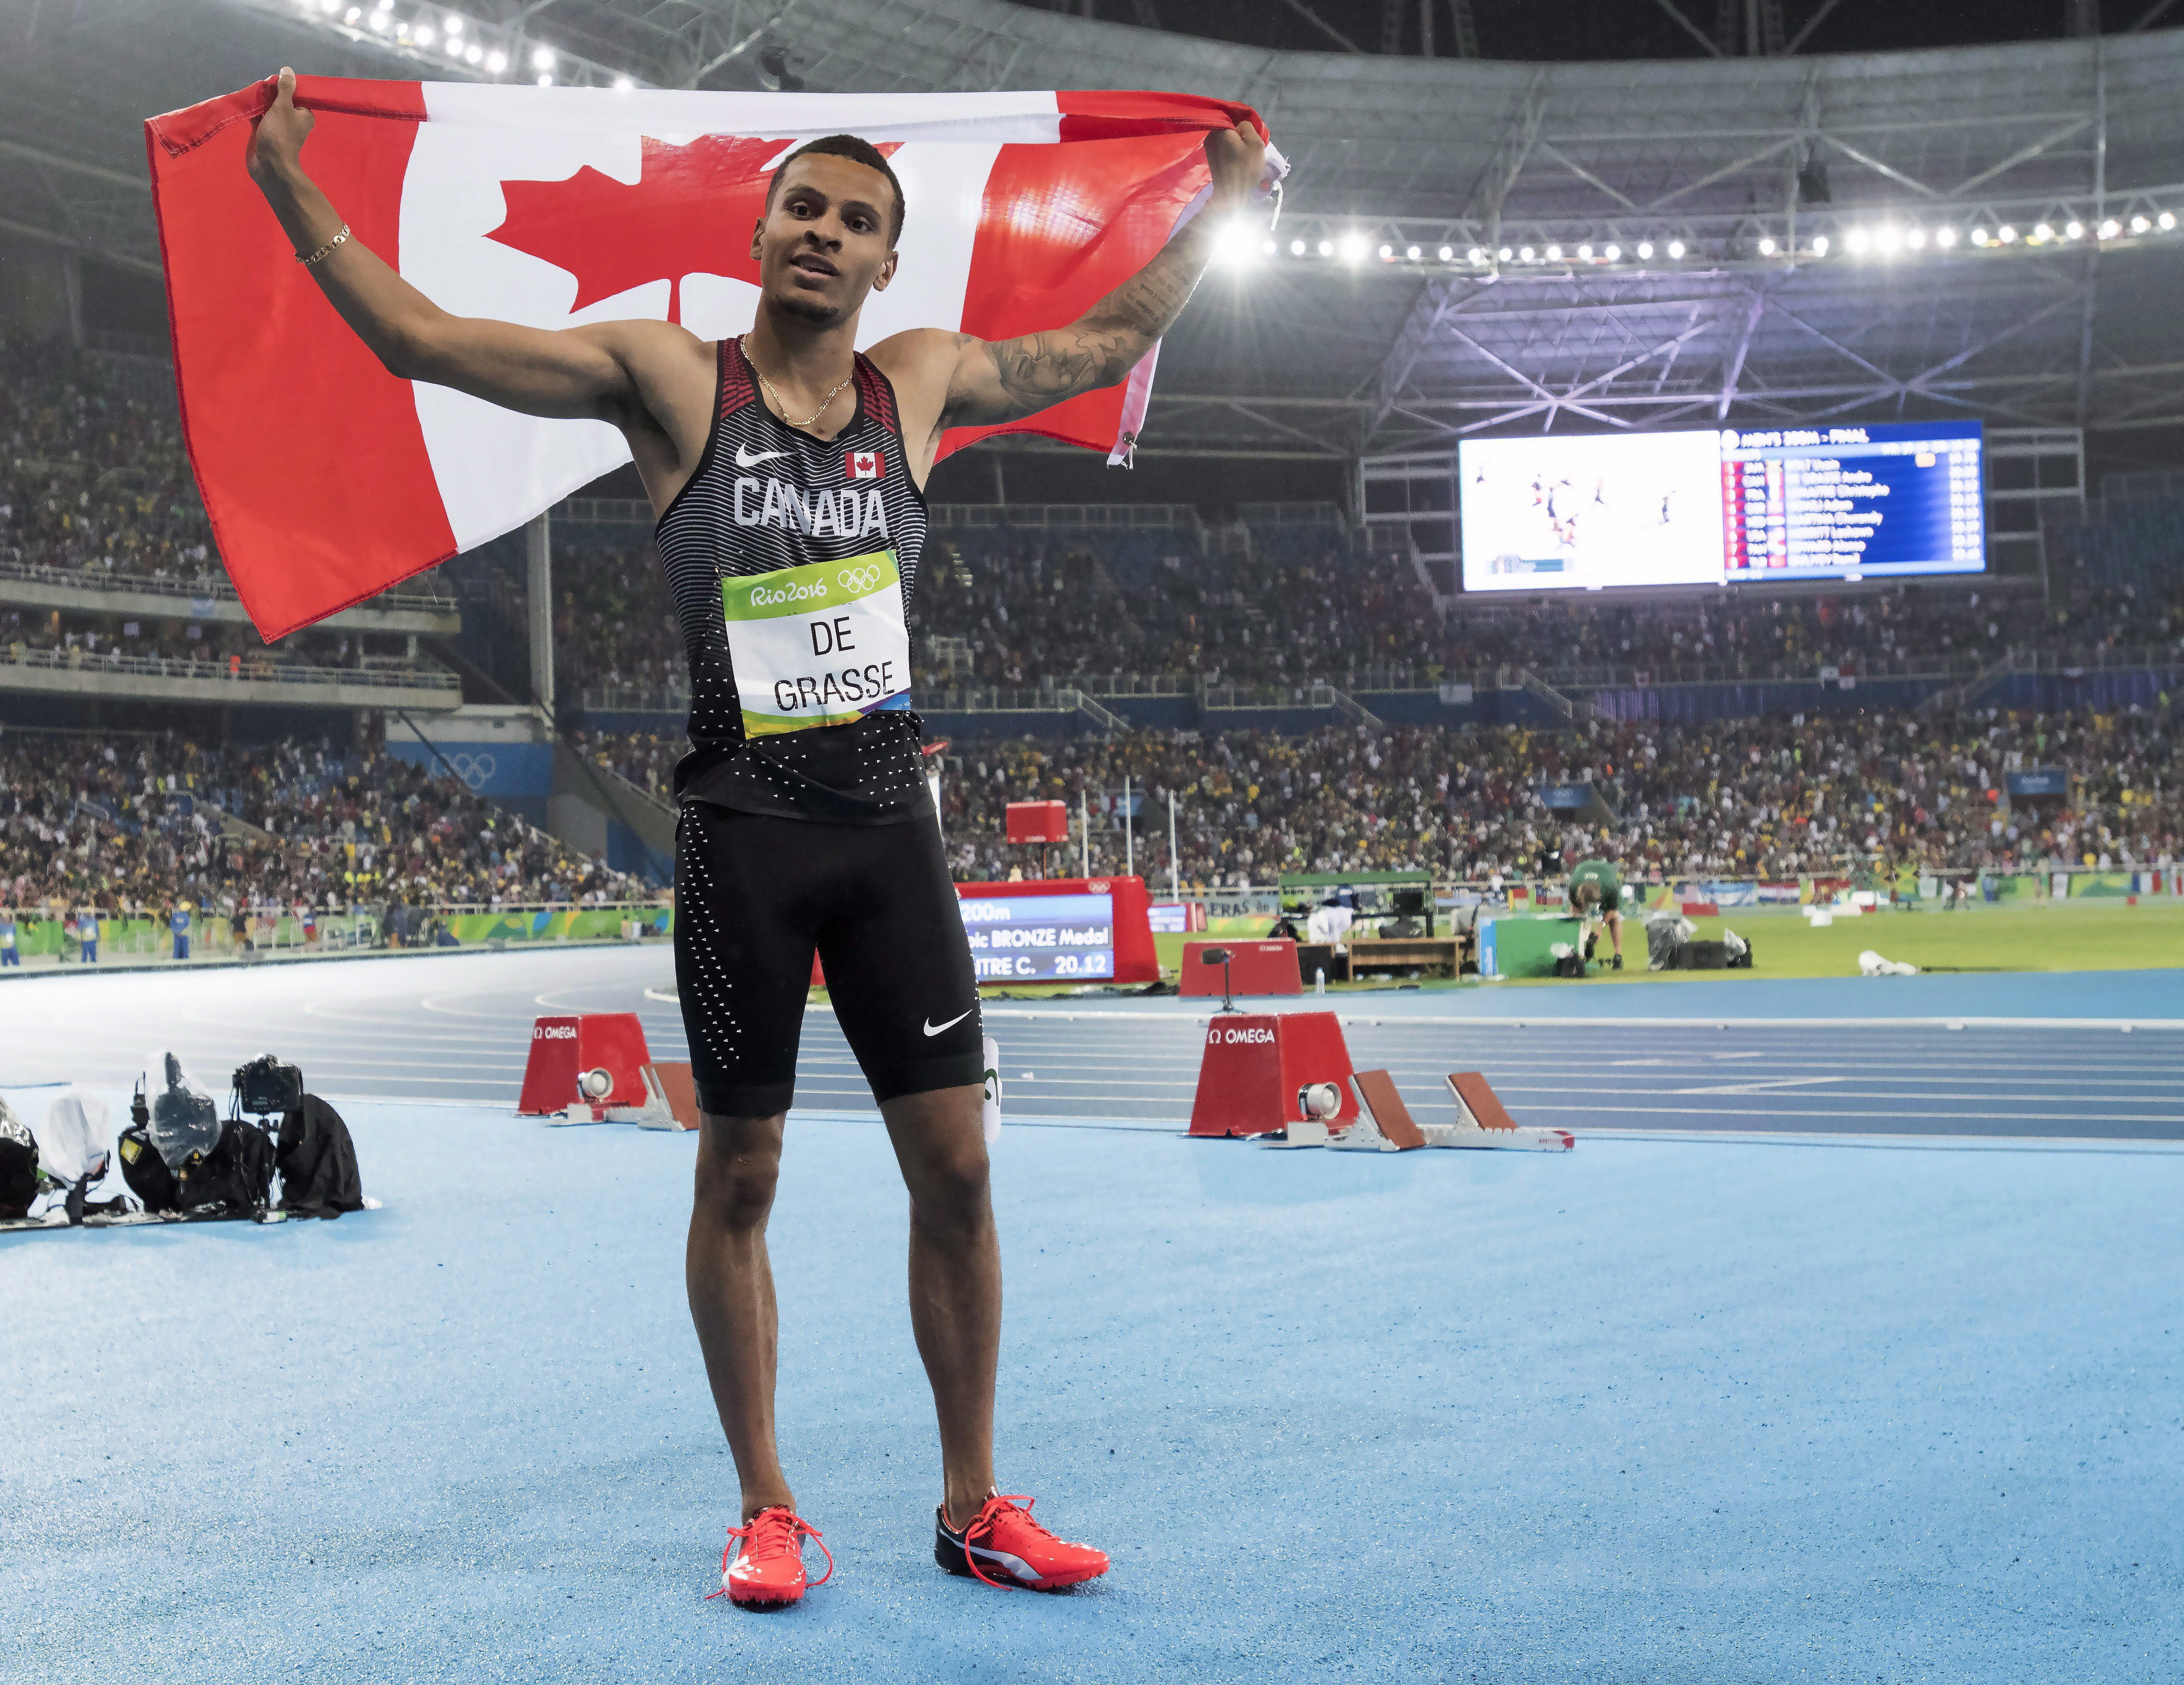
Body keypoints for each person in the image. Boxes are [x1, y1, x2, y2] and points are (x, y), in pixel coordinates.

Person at [245, 68, 1266, 1608]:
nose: (823, 231)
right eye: (803, 204)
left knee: (963, 1175)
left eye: (857, 219)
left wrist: (1230, 207)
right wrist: (288, 189)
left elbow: (1105, 338)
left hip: (887, 835)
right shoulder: (672, 378)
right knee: (740, 1174)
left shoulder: (913, 382)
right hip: (738, 836)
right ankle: (768, 1503)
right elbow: (426, 342)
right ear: (762, 226)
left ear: (883, 263)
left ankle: (974, 1498)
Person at [1568, 856, 1627, 970]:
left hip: (1606, 871)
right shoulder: (1574, 885)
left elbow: (1612, 911)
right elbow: (1574, 909)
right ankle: (1576, 952)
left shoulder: (1611, 886)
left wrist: (1601, 927)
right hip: (1583, 870)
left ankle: (1618, 956)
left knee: (1615, 919)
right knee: (1576, 916)